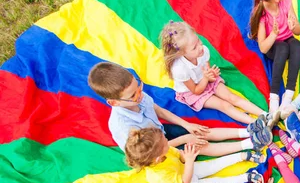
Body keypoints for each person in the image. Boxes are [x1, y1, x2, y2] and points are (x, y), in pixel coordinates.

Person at [88, 62, 273, 153]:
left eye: (139, 86)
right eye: (133, 95)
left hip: (159, 132)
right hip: (155, 152)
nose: (140, 94)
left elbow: (159, 111)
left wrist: (186, 125)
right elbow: (152, 153)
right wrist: (185, 137)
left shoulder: (137, 96)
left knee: (199, 131)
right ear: (114, 102)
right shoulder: (125, 129)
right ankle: (248, 144)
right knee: (197, 144)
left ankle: (248, 131)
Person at [160, 21, 267, 124]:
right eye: (194, 48)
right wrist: (206, 78)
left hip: (205, 80)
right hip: (193, 91)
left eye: (198, 41)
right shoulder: (179, 69)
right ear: (181, 53)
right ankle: (256, 123)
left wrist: (211, 74)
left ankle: (265, 115)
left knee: (232, 97)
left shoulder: (203, 51)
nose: (200, 47)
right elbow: (196, 90)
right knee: (224, 105)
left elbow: (207, 68)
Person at [124, 127, 266, 183]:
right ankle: (247, 177)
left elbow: (179, 156)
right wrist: (190, 161)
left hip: (185, 169)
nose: (168, 141)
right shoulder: (158, 176)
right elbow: (185, 182)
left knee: (212, 165)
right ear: (157, 158)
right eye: (165, 142)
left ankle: (244, 155)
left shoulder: (164, 151)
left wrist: (187, 154)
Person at [249, 0, 300, 114]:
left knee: (296, 45)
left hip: (287, 39)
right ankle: (274, 97)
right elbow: (263, 48)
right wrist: (273, 34)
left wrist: (293, 26)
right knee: (283, 48)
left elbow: (299, 31)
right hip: (273, 47)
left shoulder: (286, 2)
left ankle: (288, 94)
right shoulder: (262, 13)